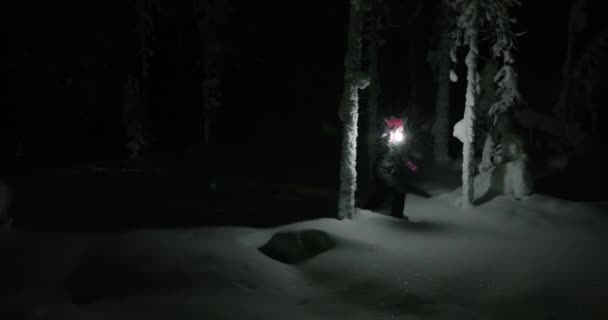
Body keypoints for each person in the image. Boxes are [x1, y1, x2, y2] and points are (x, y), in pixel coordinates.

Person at [363, 117, 429, 220]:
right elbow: (385, 157)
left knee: (383, 193)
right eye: (400, 127)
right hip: (382, 171)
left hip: (388, 171)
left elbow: (401, 157)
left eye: (402, 127)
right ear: (394, 128)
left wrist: (412, 166)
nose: (402, 129)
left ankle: (366, 210)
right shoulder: (386, 139)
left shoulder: (396, 140)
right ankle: (396, 217)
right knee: (397, 191)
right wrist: (391, 141)